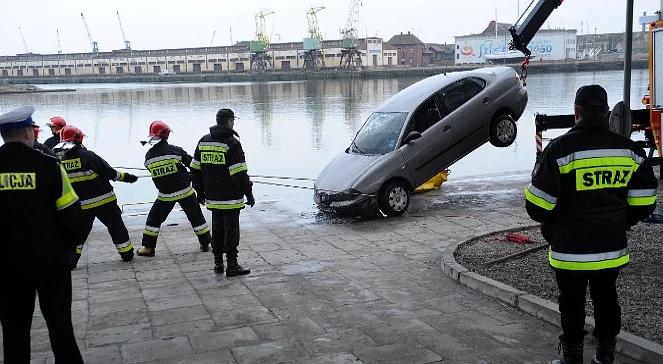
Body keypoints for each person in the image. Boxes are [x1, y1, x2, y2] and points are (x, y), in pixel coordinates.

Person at [524, 85, 658, 364]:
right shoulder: (630, 152)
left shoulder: (559, 150)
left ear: (576, 113)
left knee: (571, 304)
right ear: (608, 113)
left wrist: (557, 221)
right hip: (611, 249)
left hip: (569, 251)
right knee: (607, 300)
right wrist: (621, 219)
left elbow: (537, 207)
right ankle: (605, 356)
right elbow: (645, 203)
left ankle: (572, 358)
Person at [0, 106, 85, 363]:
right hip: (51, 263)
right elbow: (73, 218)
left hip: (6, 266)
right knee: (60, 326)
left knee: (14, 330)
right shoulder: (49, 166)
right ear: (28, 133)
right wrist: (70, 251)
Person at [55, 125, 139, 264]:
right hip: (105, 201)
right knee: (116, 227)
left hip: (82, 206)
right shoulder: (89, 156)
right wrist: (129, 178)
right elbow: (111, 173)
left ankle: (71, 260)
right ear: (79, 138)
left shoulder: (61, 162)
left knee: (79, 233)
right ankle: (127, 254)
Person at [191, 108, 254, 276]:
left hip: (212, 197)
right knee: (231, 230)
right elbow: (239, 174)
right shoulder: (231, 143)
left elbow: (195, 169)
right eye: (233, 120)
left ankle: (218, 264)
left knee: (217, 228)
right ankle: (232, 265)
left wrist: (200, 192)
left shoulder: (203, 141)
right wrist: (249, 193)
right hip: (230, 198)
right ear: (229, 122)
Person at [137, 121, 212, 257]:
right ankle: (206, 243)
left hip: (165, 195)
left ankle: (148, 248)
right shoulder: (175, 150)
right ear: (166, 135)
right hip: (185, 192)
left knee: (153, 220)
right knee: (196, 217)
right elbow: (193, 165)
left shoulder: (148, 157)